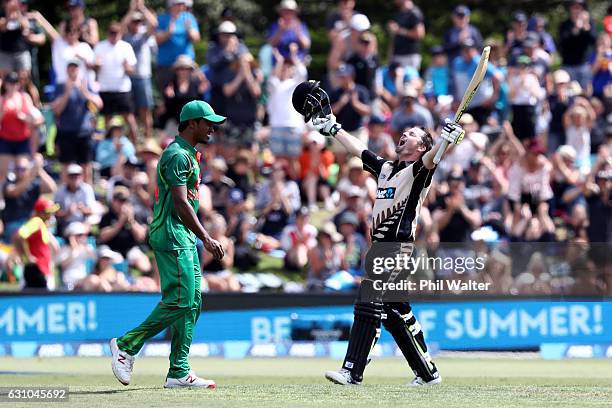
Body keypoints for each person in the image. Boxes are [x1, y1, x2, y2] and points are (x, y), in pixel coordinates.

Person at [292, 80, 466, 386]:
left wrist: (446, 142)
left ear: (422, 147)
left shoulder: (419, 170)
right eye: (405, 132)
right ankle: (427, 373)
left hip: (397, 248)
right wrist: (333, 127)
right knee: (393, 310)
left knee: (368, 299)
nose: (404, 135)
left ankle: (352, 370)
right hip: (380, 248)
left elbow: (432, 158)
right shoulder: (386, 169)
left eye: (412, 135)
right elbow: (359, 150)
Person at [110, 100, 225, 388]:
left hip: (182, 234)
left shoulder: (188, 153)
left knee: (192, 302)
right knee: (181, 301)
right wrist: (207, 238)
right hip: (172, 233)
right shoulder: (177, 155)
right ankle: (126, 346)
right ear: (192, 123)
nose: (212, 128)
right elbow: (180, 202)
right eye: (208, 122)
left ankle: (178, 371)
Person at [51, 60, 102, 182]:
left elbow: (98, 105)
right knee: (65, 166)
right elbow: (57, 110)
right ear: (67, 70)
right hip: (66, 131)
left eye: (75, 68)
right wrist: (67, 92)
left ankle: (87, 195)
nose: (73, 71)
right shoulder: (60, 86)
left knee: (86, 166)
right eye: (70, 68)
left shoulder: (86, 84)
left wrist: (84, 91)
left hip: (84, 132)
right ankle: (64, 196)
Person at [94, 22, 138, 142]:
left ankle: (135, 144)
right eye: (111, 33)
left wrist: (127, 68)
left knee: (129, 118)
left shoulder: (126, 47)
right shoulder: (100, 46)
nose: (114, 36)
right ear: (108, 33)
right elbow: (94, 67)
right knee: (107, 119)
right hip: (105, 88)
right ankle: (109, 145)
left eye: (116, 33)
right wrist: (96, 65)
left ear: (121, 33)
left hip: (122, 88)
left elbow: (132, 69)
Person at [121, 0, 158, 139]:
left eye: (138, 22)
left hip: (143, 77)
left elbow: (154, 23)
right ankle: (134, 140)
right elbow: (119, 28)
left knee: (145, 110)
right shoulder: (125, 37)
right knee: (129, 112)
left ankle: (148, 139)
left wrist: (141, 7)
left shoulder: (144, 35)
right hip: (127, 78)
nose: (136, 24)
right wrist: (131, 10)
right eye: (134, 21)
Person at [1, 153, 56, 243]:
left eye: (23, 169)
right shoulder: (9, 182)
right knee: (20, 235)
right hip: (13, 224)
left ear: (28, 169)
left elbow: (52, 188)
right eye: (18, 169)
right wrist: (32, 174)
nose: (20, 171)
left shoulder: (34, 184)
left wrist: (39, 169)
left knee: (49, 238)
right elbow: (14, 192)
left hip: (32, 223)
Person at [0, 71, 43, 184]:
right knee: (3, 173)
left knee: (23, 170)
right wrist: (2, 112)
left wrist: (22, 117)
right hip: (6, 140)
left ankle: (21, 197)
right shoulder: (2, 100)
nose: (12, 86)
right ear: (6, 85)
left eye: (15, 83)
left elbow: (35, 120)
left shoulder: (25, 98)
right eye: (10, 83)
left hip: (22, 140)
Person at [13, 196, 60, 289]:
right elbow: (18, 236)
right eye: (48, 212)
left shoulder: (42, 225)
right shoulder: (36, 221)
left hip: (40, 271)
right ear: (41, 213)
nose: (51, 215)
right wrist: (27, 256)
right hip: (35, 270)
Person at [155, 0, 200, 90]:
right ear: (171, 5)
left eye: (182, 4)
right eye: (178, 4)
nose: (181, 7)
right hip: (166, 65)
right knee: (168, 96)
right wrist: (168, 32)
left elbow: (196, 39)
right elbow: (156, 40)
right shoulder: (162, 19)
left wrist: (189, 30)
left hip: (185, 66)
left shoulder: (189, 18)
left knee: (188, 96)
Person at [387, 0, 425, 70]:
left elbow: (420, 34)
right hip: (397, 56)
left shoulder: (414, 13)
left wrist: (399, 30)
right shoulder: (399, 13)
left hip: (409, 56)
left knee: (409, 80)